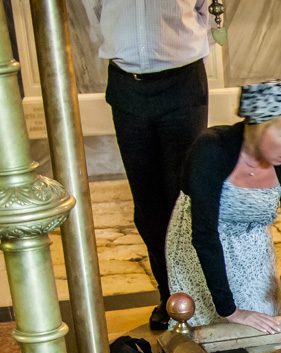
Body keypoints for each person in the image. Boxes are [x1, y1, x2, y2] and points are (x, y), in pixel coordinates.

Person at [166, 80, 281, 334]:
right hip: (200, 243)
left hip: (252, 243)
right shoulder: (211, 150)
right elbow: (203, 235)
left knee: (264, 323)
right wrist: (230, 310)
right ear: (259, 129)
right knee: (206, 326)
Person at [85, 0, 212, 330]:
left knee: (184, 199)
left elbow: (206, 9)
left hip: (182, 82)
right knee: (148, 205)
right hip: (128, 83)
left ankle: (196, 291)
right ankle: (168, 294)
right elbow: (96, 8)